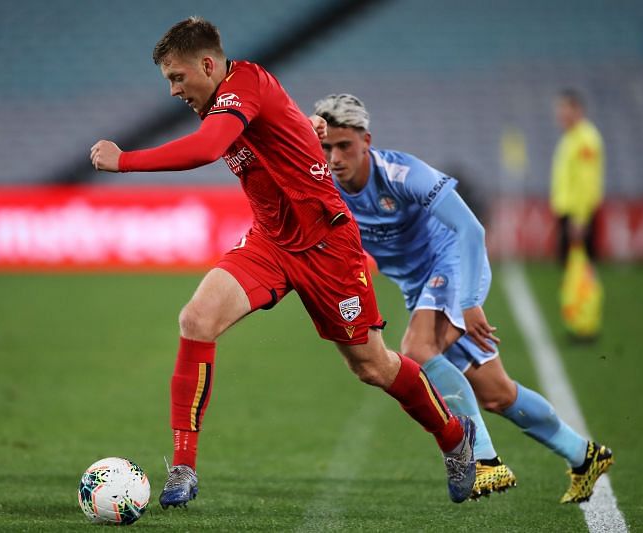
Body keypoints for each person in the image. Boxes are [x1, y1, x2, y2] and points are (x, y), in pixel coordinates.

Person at [89, 17, 477, 508]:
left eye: (177, 77)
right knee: (196, 319)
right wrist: (306, 130)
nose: (172, 91)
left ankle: (452, 436)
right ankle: (183, 468)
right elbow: (285, 127)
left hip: (327, 247)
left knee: (372, 366)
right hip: (271, 243)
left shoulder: (242, 85)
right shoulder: (231, 97)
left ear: (208, 65)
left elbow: (208, 149)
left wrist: (124, 160)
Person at [313, 93, 614, 503]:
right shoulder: (323, 187)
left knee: (418, 349)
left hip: (453, 264)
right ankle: (585, 455)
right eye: (326, 146)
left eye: (344, 145)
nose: (334, 157)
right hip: (419, 287)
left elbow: (470, 230)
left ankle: (485, 461)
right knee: (497, 393)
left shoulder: (401, 173)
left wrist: (469, 302)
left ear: (367, 139)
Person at [551, 89, 605, 265]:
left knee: (580, 271)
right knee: (571, 270)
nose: (560, 113)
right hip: (568, 211)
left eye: (565, 108)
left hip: (577, 214)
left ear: (578, 110)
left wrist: (580, 218)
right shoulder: (570, 138)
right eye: (559, 108)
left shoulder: (585, 140)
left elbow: (586, 181)